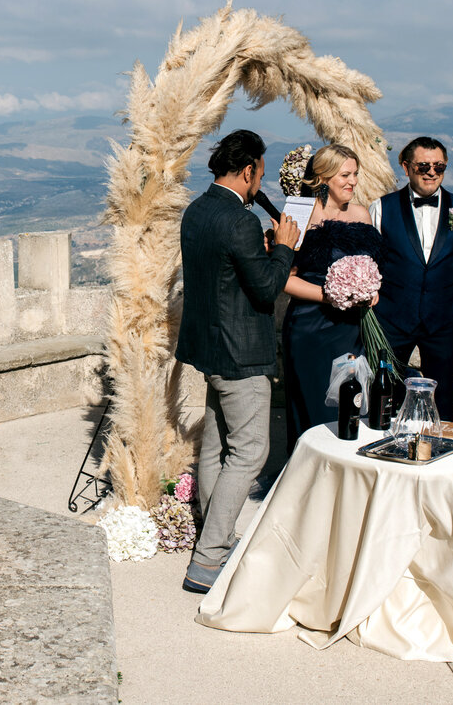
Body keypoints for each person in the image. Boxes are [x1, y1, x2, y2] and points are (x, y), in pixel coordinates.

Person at [175, 129, 300, 594]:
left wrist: (262, 254)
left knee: (216, 447)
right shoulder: (241, 221)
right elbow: (267, 289)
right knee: (250, 452)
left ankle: (216, 537)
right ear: (248, 170)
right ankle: (208, 562)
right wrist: (284, 247)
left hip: (208, 348)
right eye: (260, 174)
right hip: (241, 352)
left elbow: (226, 275)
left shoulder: (198, 210)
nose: (259, 183)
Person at [369, 136, 453, 421]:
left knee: (443, 398)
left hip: (444, 322)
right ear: (406, 167)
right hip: (391, 321)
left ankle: (444, 455)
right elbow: (369, 262)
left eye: (439, 167)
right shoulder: (381, 208)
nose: (431, 172)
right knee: (384, 395)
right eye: (423, 166)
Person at [281, 145, 384, 452]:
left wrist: (371, 291)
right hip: (311, 329)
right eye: (345, 175)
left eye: (355, 174)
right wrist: (329, 296)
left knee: (350, 410)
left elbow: (374, 266)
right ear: (323, 177)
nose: (352, 181)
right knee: (315, 411)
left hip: (352, 331)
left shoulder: (362, 214)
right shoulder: (300, 212)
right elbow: (285, 279)